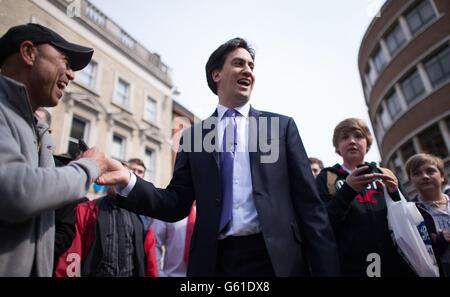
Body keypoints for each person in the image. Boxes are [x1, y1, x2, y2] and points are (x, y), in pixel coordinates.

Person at [97, 37, 339, 277]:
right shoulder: (193, 137)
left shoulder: (280, 127)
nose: (248, 71)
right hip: (215, 262)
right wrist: (129, 181)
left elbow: (311, 207)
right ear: (216, 75)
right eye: (238, 63)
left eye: (251, 66)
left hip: (277, 261)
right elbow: (175, 203)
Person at [0, 23, 111, 277]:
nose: (72, 75)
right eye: (66, 62)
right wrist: (88, 167)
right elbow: (17, 192)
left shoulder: (38, 133)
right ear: (29, 53)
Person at [315, 118, 415, 276]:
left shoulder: (385, 173)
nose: (352, 141)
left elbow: (410, 217)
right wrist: (347, 191)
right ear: (337, 147)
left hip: (397, 265)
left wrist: (395, 193)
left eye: (358, 136)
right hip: (352, 269)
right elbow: (322, 225)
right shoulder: (327, 178)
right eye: (345, 137)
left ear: (367, 143)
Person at [54, 158, 158, 277]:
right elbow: (72, 256)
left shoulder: (143, 218)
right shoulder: (86, 211)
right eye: (114, 175)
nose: (118, 181)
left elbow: (151, 262)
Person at [405, 153, 450, 276]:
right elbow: (414, 254)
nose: (424, 176)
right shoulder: (409, 212)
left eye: (430, 171)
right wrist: (439, 240)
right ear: (411, 181)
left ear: (442, 176)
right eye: (417, 173)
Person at [153, 203, 196, 277]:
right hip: (171, 275)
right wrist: (160, 274)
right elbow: (155, 243)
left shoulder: (210, 211)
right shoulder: (169, 208)